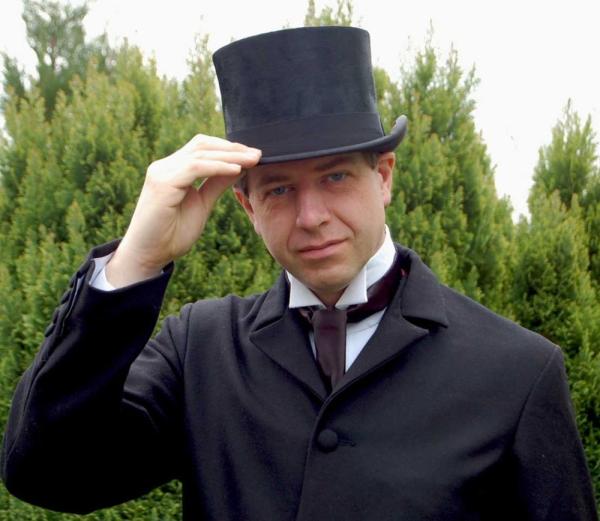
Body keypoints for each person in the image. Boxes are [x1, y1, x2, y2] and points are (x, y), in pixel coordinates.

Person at [1, 26, 597, 521]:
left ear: (384, 177)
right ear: (247, 206)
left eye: (336, 177)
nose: (311, 217)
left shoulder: (518, 371)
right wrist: (137, 260)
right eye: (279, 189)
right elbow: (48, 473)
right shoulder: (200, 350)